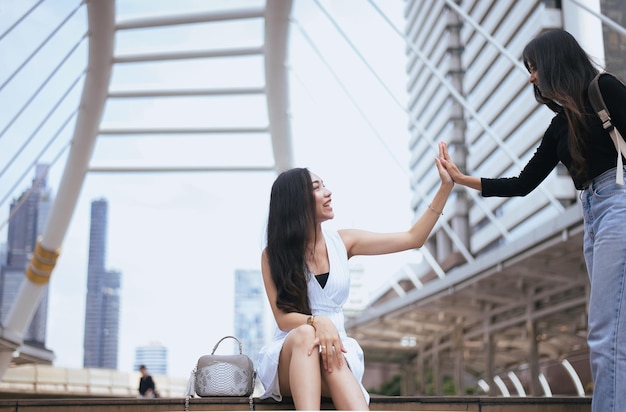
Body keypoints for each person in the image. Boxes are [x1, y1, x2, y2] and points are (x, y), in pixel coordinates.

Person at [438, 29, 626, 412]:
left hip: (619, 204)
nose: (531, 77)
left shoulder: (604, 89)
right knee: (614, 330)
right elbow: (523, 184)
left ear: (554, 61)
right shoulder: (560, 127)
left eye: (534, 67)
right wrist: (461, 179)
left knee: (605, 334)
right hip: (593, 215)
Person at [255, 159, 453, 410]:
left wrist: (445, 187)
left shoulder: (344, 242)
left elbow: (413, 238)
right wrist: (318, 322)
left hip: (336, 349)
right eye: (317, 188)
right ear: (296, 201)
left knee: (332, 354)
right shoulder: (273, 255)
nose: (328, 192)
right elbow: (284, 319)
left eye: (324, 185)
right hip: (291, 355)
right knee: (306, 334)